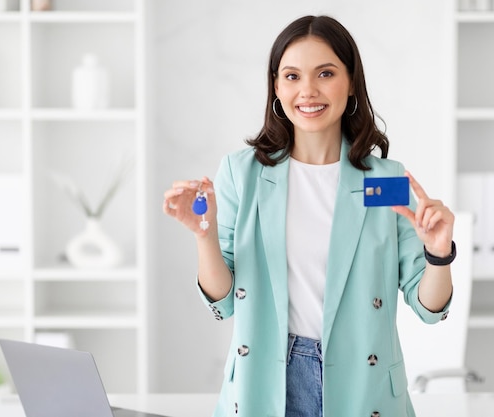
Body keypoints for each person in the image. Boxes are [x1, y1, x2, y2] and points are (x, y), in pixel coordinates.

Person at [163, 15, 455, 417]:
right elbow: (224, 302)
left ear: (351, 82)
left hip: (362, 386)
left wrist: (438, 254)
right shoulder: (241, 174)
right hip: (267, 381)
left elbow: (428, 307)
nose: (308, 91)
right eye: (292, 76)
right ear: (277, 87)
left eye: (325, 73)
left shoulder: (386, 180)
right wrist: (203, 234)